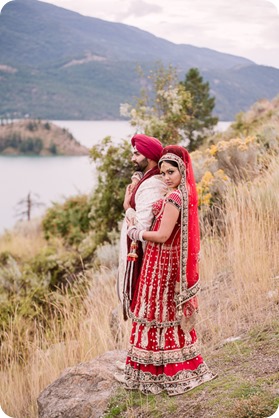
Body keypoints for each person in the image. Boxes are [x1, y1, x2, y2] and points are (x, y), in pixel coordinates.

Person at [117, 145, 216, 396]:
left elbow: (161, 235)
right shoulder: (183, 193)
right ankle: (166, 367)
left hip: (161, 264)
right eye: (163, 173)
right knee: (163, 314)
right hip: (161, 261)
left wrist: (135, 232)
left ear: (182, 170)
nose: (166, 177)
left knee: (158, 313)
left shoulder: (174, 198)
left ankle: (161, 372)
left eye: (171, 171)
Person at [117, 133, 168, 319]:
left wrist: (127, 207)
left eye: (137, 154)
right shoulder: (147, 181)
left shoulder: (152, 186)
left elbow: (141, 225)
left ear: (149, 156)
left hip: (142, 253)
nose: (133, 158)